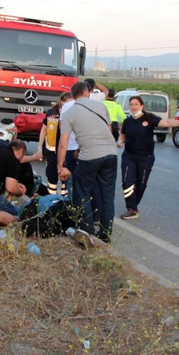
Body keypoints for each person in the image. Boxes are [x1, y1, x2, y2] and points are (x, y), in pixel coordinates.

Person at [57, 81, 118, 245]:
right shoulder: (101, 106)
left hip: (90, 155)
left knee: (81, 191)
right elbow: (108, 131)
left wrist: (60, 166)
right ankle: (105, 233)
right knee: (108, 194)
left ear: (73, 94)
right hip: (111, 154)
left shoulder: (69, 111)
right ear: (86, 93)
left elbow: (63, 143)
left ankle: (87, 230)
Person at [117, 96, 179, 220]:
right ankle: (132, 208)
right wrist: (120, 141)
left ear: (142, 106)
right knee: (127, 182)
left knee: (141, 184)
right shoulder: (128, 121)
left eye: (136, 104)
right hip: (129, 156)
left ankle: (134, 205)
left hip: (146, 158)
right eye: (131, 104)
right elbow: (123, 135)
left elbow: (166, 122)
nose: (133, 107)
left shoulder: (149, 118)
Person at [37, 92, 72, 196]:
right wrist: (40, 148)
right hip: (52, 151)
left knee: (65, 178)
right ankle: (51, 200)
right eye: (68, 103)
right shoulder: (52, 114)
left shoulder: (72, 115)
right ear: (61, 102)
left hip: (66, 151)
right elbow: (44, 130)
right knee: (52, 177)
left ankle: (64, 201)